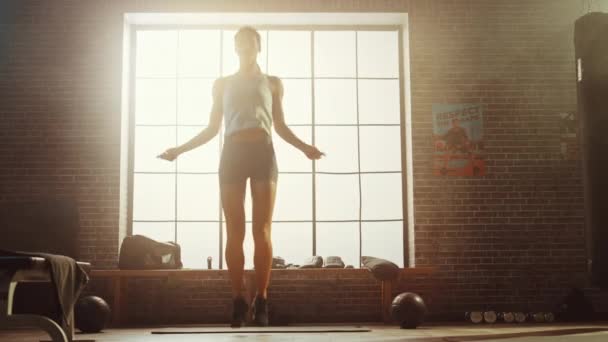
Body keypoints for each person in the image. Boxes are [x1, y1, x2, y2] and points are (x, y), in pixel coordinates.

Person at [157, 26, 324, 327]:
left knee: (262, 231)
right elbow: (211, 129)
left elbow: (280, 126)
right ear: (235, 48)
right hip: (232, 154)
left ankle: (261, 300)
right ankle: (237, 299)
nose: (243, 46)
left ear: (258, 45)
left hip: (263, 153)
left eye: (249, 41)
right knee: (235, 231)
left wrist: (305, 148)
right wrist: (179, 149)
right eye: (238, 42)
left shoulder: (272, 83)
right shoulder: (222, 84)